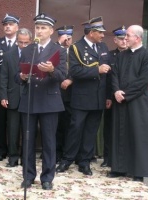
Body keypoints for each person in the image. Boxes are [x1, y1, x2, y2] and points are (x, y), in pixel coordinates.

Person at [15, 13, 67, 190]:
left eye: (43, 27)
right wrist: (21, 76)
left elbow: (62, 76)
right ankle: (28, 176)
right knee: (28, 140)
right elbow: (17, 74)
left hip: (49, 101)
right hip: (29, 100)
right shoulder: (27, 49)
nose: (39, 30)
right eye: (37, 27)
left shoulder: (59, 50)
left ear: (51, 31)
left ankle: (47, 178)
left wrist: (52, 70)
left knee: (48, 141)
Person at [56, 16, 111, 175]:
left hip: (98, 98)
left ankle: (84, 161)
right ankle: (67, 159)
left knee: (91, 131)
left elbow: (107, 76)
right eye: (100, 32)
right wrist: (96, 70)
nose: (102, 35)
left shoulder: (103, 47)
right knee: (76, 129)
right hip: (81, 98)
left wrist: (107, 96)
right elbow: (74, 71)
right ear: (91, 32)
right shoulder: (76, 47)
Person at [108, 25, 148, 182]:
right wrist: (116, 91)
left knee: (137, 134)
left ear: (138, 38)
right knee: (120, 133)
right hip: (120, 99)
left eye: (128, 35)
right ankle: (118, 168)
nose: (125, 38)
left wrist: (125, 95)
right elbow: (114, 75)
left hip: (137, 101)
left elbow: (143, 81)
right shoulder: (121, 56)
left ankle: (137, 171)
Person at [0, 14, 20, 161]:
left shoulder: (21, 43)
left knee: (15, 123)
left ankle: (15, 151)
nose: (7, 26)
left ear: (17, 27)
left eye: (11, 24)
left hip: (17, 88)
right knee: (0, 122)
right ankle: (0, 151)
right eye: (5, 24)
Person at [0, 28, 32, 167]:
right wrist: (3, 96)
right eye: (20, 42)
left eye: (26, 43)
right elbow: (3, 77)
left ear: (30, 41)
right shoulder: (8, 55)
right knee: (13, 130)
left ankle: (26, 159)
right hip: (13, 97)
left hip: (30, 97)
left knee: (28, 131)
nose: (23, 45)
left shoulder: (35, 54)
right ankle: (13, 158)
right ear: (16, 41)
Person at [101, 26, 127, 167]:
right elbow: (106, 80)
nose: (124, 42)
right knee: (109, 128)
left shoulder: (133, 55)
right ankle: (107, 157)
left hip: (128, 97)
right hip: (112, 97)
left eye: (125, 39)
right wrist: (108, 97)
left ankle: (123, 158)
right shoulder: (108, 56)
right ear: (115, 40)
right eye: (121, 39)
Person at [55, 25, 74, 163]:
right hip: (56, 93)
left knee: (69, 125)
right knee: (55, 125)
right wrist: (60, 45)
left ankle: (68, 153)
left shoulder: (75, 51)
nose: (67, 40)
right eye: (64, 37)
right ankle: (55, 152)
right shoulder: (55, 49)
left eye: (69, 38)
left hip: (72, 94)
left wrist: (71, 79)